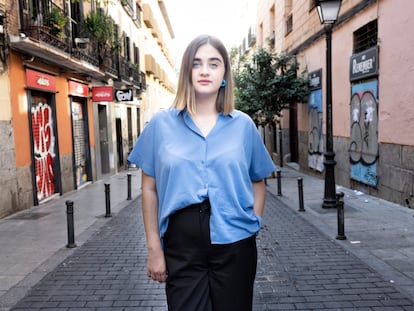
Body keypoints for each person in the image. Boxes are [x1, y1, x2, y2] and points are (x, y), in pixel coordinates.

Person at [128, 34, 275, 311]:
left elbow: (259, 180)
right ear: (187, 72)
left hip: (235, 241)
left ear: (224, 74)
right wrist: (154, 248)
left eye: (214, 63)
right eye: (196, 64)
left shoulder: (243, 125)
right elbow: (149, 188)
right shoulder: (161, 125)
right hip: (181, 244)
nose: (205, 70)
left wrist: (253, 222)